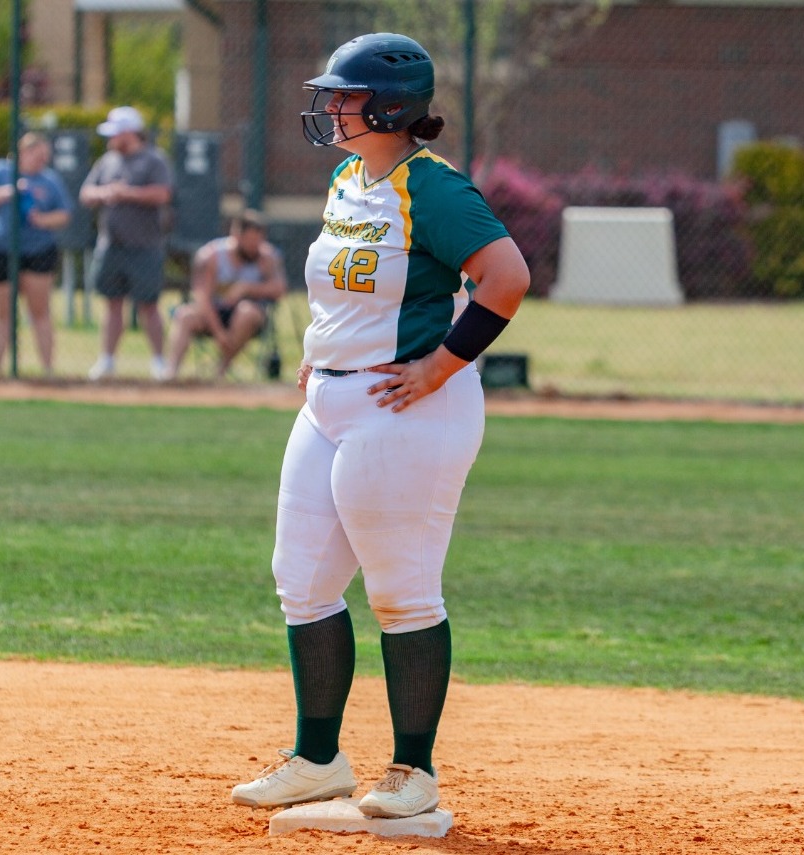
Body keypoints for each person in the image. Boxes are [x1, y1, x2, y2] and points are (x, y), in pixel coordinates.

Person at [229, 33, 531, 820]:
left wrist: (440, 366)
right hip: (330, 401)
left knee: (401, 593)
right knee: (301, 582)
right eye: (329, 94)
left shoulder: (429, 189)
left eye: (345, 96)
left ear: (392, 107)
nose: (330, 107)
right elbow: (344, 289)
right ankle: (317, 758)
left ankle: (413, 771)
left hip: (406, 406)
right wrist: (316, 353)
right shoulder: (346, 178)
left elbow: (506, 276)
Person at [78, 106, 174, 380]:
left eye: (115, 133)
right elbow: (86, 193)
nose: (111, 139)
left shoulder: (154, 160)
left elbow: (162, 194)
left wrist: (127, 193)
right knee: (112, 303)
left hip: (145, 245)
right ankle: (106, 360)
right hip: (110, 244)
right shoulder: (107, 161)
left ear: (130, 133)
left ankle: (158, 363)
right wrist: (105, 193)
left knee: (148, 305)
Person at [0, 132, 73, 376]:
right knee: (2, 314)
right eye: (37, 155)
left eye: (44, 157)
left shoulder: (50, 181)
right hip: (2, 250)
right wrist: (10, 191)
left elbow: (64, 214)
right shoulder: (0, 170)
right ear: (23, 153)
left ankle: (48, 370)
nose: (41, 161)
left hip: (38, 250)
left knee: (40, 312)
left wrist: (43, 220)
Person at [163, 209, 287, 381]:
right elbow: (202, 298)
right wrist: (219, 332)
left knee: (247, 312)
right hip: (213, 313)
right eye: (250, 241)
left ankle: (218, 374)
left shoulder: (266, 257)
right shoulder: (212, 256)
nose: (254, 247)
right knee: (185, 315)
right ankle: (170, 375)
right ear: (236, 235)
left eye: (258, 241)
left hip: (247, 317)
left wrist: (246, 288)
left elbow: (279, 289)